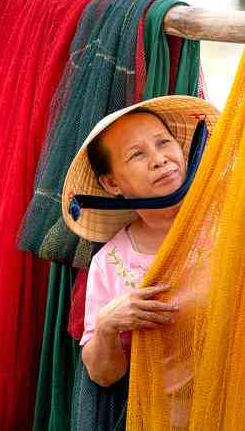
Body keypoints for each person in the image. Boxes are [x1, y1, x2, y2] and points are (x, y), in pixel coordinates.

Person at [61, 95, 219, 387]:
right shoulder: (109, 262)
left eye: (163, 143)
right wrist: (108, 325)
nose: (159, 160)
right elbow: (103, 375)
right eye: (137, 155)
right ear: (111, 183)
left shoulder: (227, 217)